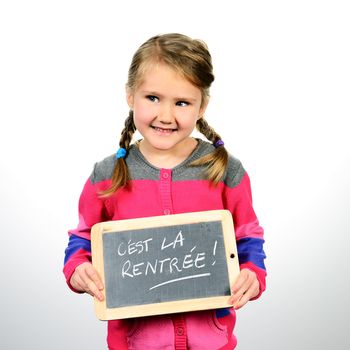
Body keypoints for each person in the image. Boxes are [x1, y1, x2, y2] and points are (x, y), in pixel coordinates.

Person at [63, 33, 266, 350]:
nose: (166, 116)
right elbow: (84, 237)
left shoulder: (225, 171)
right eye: (153, 98)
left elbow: (247, 235)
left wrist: (253, 273)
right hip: (134, 343)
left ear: (202, 106)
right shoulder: (107, 175)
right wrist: (78, 268)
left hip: (212, 341)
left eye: (182, 102)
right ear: (130, 96)